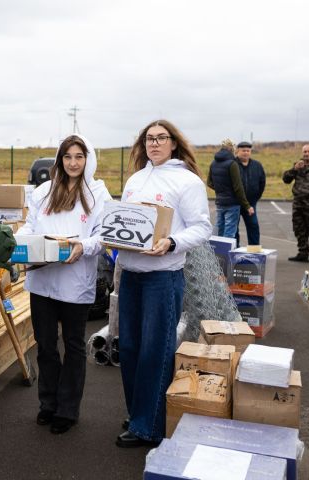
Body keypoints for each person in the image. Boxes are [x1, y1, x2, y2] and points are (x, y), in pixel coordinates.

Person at [116, 120, 211, 447]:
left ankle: (149, 427)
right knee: (128, 348)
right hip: (130, 274)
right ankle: (137, 413)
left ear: (173, 143)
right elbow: (124, 220)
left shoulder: (187, 181)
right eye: (149, 139)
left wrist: (171, 242)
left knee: (155, 351)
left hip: (163, 277)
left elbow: (201, 228)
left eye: (161, 138)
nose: (154, 144)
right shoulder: (136, 179)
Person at [17, 134, 111, 434]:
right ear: (60, 159)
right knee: (45, 345)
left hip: (74, 282)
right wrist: (22, 242)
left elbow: (103, 235)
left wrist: (83, 246)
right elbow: (30, 225)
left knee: (73, 346)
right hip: (42, 281)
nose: (73, 163)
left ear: (88, 160)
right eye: (67, 157)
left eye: (79, 157)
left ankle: (67, 410)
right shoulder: (44, 191)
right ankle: (48, 403)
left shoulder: (97, 194)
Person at [207, 139, 253, 240]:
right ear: (233, 149)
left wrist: (220, 190)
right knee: (229, 233)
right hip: (232, 203)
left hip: (220, 202)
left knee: (219, 229)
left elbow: (209, 183)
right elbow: (238, 187)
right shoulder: (232, 164)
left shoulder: (213, 163)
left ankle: (215, 254)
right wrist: (247, 205)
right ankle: (225, 255)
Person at [235, 141, 266, 246]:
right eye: (243, 150)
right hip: (235, 202)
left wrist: (255, 198)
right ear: (237, 151)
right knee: (234, 228)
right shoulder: (232, 164)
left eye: (248, 150)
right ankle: (235, 249)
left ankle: (254, 250)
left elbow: (262, 183)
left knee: (253, 225)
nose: (246, 153)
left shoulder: (257, 165)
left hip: (251, 203)